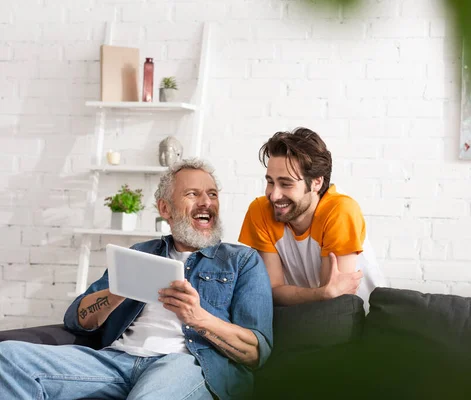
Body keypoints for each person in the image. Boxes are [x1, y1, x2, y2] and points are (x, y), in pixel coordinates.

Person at [0, 159, 273, 400]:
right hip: (116, 361)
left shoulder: (241, 261)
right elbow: (77, 318)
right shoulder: (139, 254)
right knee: (9, 358)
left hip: (184, 364)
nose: (207, 202)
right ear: (165, 208)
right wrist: (117, 292)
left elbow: (256, 353)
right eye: (193, 193)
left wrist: (198, 318)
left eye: (212, 194)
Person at [238, 127, 387, 312]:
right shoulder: (260, 211)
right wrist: (321, 293)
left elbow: (337, 303)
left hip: (363, 320)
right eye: (270, 182)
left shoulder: (340, 210)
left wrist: (324, 294)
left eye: (286, 184)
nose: (274, 195)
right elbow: (272, 292)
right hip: (307, 319)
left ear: (317, 182)